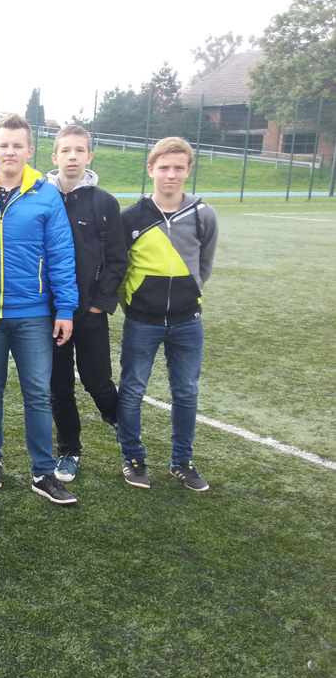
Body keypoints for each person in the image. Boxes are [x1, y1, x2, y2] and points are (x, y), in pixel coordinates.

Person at [0, 114, 79, 506]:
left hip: (33, 313)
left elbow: (61, 254)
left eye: (17, 145)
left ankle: (43, 471)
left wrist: (65, 308)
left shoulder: (46, 194)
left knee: (37, 392)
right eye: (3, 145)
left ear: (30, 151)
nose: (10, 151)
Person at [117, 137, 218, 491]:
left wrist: (189, 294)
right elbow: (121, 269)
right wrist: (136, 302)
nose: (170, 175)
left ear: (188, 170)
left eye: (178, 168)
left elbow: (204, 265)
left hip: (188, 322)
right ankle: (133, 459)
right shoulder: (131, 217)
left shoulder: (203, 215)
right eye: (164, 168)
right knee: (132, 391)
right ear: (151, 170)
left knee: (186, 393)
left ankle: (182, 462)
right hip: (141, 322)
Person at [44, 125, 127, 482]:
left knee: (97, 381)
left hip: (89, 311)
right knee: (58, 387)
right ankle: (69, 451)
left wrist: (98, 305)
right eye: (66, 150)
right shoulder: (41, 197)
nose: (72, 157)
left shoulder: (104, 203)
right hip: (49, 312)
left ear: (89, 156)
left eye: (79, 150)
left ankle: (122, 425)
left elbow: (116, 259)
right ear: (55, 156)